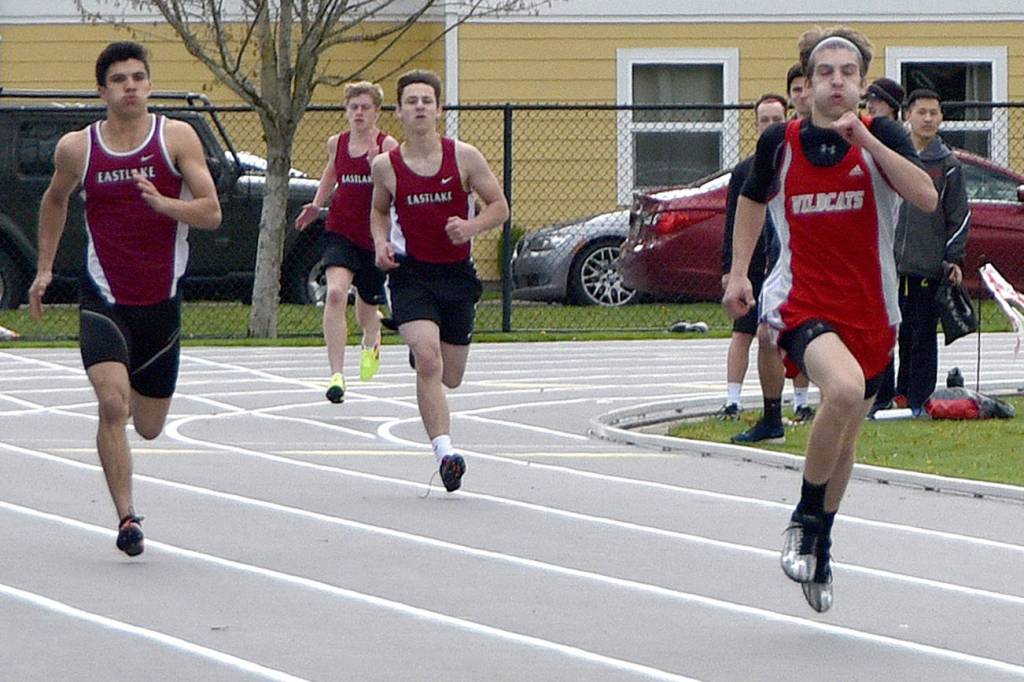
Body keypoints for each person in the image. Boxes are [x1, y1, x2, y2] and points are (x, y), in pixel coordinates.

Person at [723, 27, 937, 612]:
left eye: (848, 72)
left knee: (846, 431)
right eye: (825, 72)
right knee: (840, 391)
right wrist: (739, 273)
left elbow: (925, 198)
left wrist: (869, 142)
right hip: (802, 299)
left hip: (872, 308)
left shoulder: (884, 135)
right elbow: (748, 199)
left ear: (862, 84)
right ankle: (803, 520)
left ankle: (820, 544)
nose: (836, 81)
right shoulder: (782, 142)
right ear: (807, 84)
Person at [28, 41, 222, 556]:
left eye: (138, 77)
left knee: (151, 426)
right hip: (104, 295)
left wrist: (164, 204)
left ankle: (135, 397)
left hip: (160, 298)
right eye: (119, 79)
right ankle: (127, 518)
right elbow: (54, 201)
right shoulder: (79, 148)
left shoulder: (176, 137)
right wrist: (45, 269)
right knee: (111, 404)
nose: (130, 86)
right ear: (102, 90)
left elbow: (211, 212)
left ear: (150, 85)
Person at [370, 70, 509, 492]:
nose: (419, 108)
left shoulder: (464, 156)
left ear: (439, 109)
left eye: (426, 101)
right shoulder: (385, 167)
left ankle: (423, 351)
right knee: (429, 358)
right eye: (410, 101)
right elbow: (378, 212)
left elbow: (499, 207)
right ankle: (445, 453)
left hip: (455, 275)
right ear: (398, 111)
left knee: (450, 376)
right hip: (410, 274)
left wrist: (470, 228)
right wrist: (380, 244)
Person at [295, 82, 398, 403]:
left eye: (365, 107)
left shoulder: (387, 145)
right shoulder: (336, 144)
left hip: (374, 236)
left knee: (367, 311)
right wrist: (316, 204)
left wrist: (374, 164)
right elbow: (331, 173)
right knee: (336, 293)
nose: (359, 113)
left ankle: (372, 338)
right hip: (341, 231)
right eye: (353, 107)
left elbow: (396, 186)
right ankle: (336, 375)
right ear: (346, 111)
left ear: (376, 112)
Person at [871, 89, 970, 418]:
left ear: (941, 118)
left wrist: (953, 258)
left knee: (921, 334)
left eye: (934, 112)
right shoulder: (890, 157)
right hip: (888, 264)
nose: (927, 118)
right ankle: (883, 396)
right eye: (921, 112)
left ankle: (918, 399)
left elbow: (958, 216)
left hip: (927, 266)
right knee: (885, 331)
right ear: (907, 116)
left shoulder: (949, 165)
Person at [718, 93, 787, 427]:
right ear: (755, 124)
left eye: (777, 120)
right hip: (752, 263)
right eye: (765, 120)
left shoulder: (794, 162)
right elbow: (733, 219)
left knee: (781, 334)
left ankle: (800, 400)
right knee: (744, 331)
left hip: (784, 260)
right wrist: (732, 270)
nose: (771, 126)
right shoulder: (747, 170)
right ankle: (732, 399)